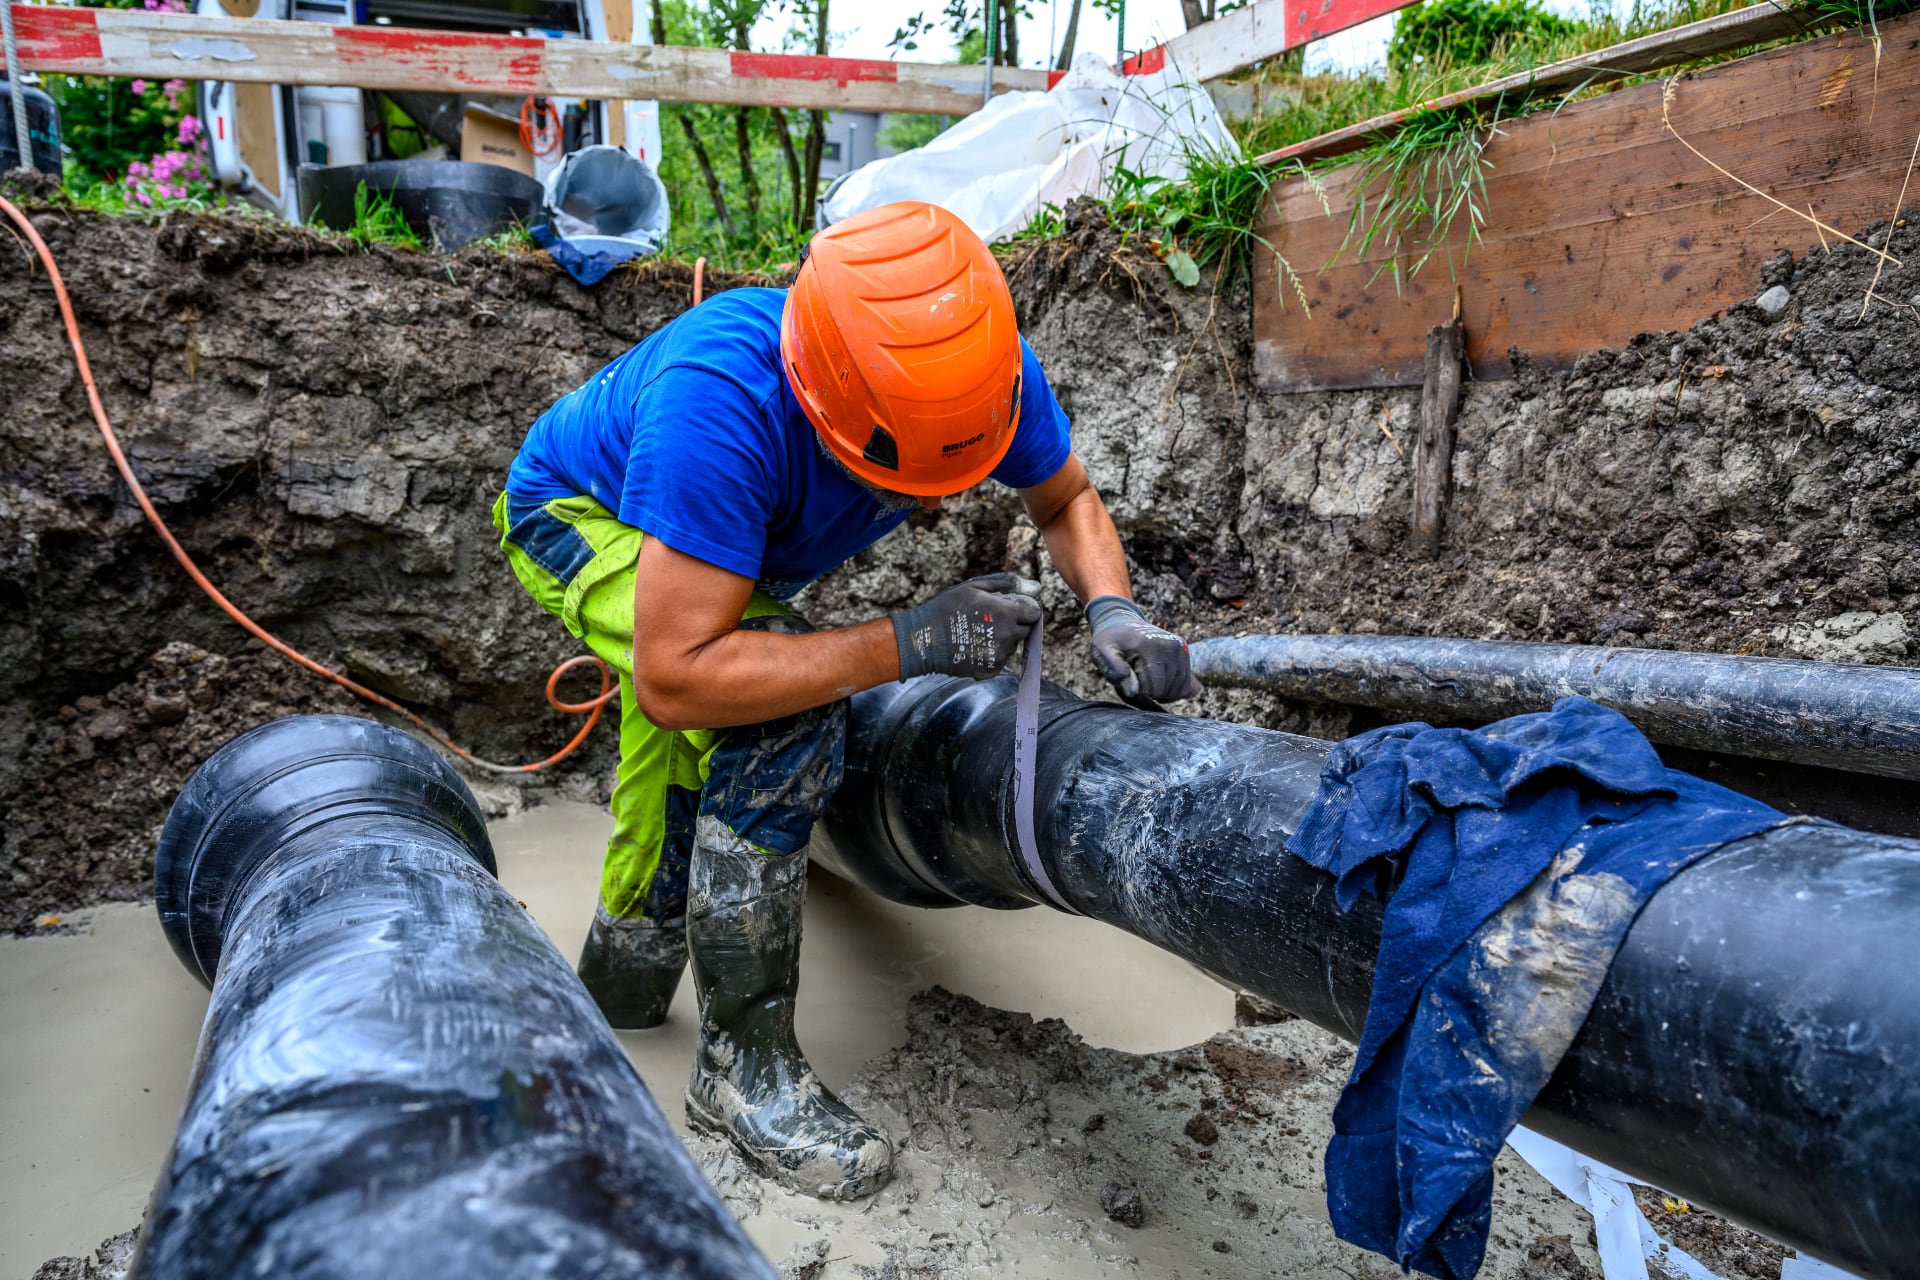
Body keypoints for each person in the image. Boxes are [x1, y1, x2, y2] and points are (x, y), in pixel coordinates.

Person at [494, 200, 1201, 1203]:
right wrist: (910, 642)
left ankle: (623, 978)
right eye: (904, 476)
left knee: (701, 735)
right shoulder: (725, 403)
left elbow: (1066, 497)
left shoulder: (962, 369)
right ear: (829, 401)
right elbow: (674, 671)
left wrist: (1119, 609)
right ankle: (742, 1068)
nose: (932, 500)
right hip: (580, 512)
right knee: (773, 707)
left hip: (711, 550)